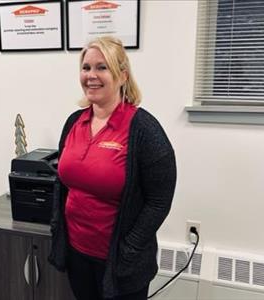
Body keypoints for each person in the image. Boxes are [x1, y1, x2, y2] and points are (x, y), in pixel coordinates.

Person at [48, 36, 177, 300]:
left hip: (119, 261)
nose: (91, 76)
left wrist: (129, 249)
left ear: (122, 76)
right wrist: (56, 226)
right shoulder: (74, 121)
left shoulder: (144, 129)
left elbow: (159, 201)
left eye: (102, 67)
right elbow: (63, 183)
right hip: (76, 252)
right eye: (86, 68)